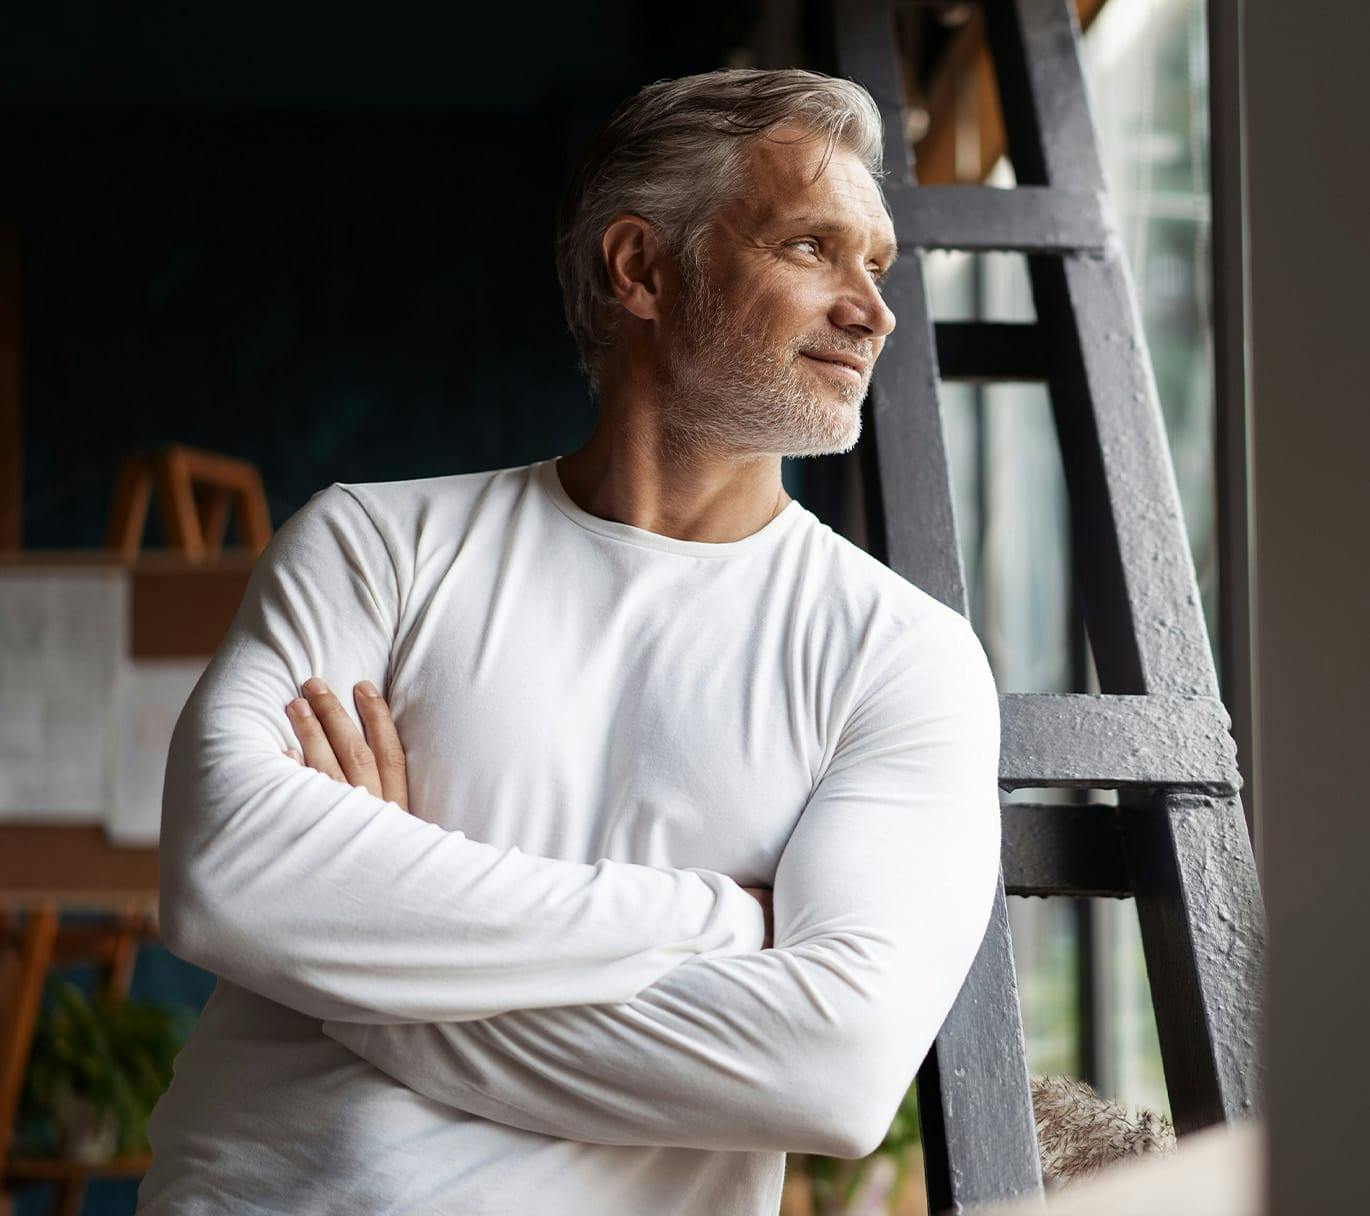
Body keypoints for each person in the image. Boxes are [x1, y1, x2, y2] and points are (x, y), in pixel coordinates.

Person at [137, 67, 1002, 1216]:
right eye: (810, 248)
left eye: (877, 264)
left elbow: (831, 1069)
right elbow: (226, 878)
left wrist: (364, 961)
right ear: (639, 268)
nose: (872, 308)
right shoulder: (373, 543)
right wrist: (708, 915)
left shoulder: (901, 655)